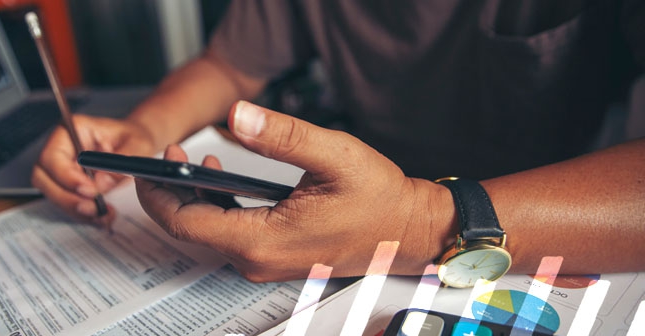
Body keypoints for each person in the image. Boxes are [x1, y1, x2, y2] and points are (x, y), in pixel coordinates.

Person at [33, 1, 645, 282]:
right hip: (345, 215)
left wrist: (415, 221)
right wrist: (144, 130)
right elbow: (230, 64)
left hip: (547, 230)